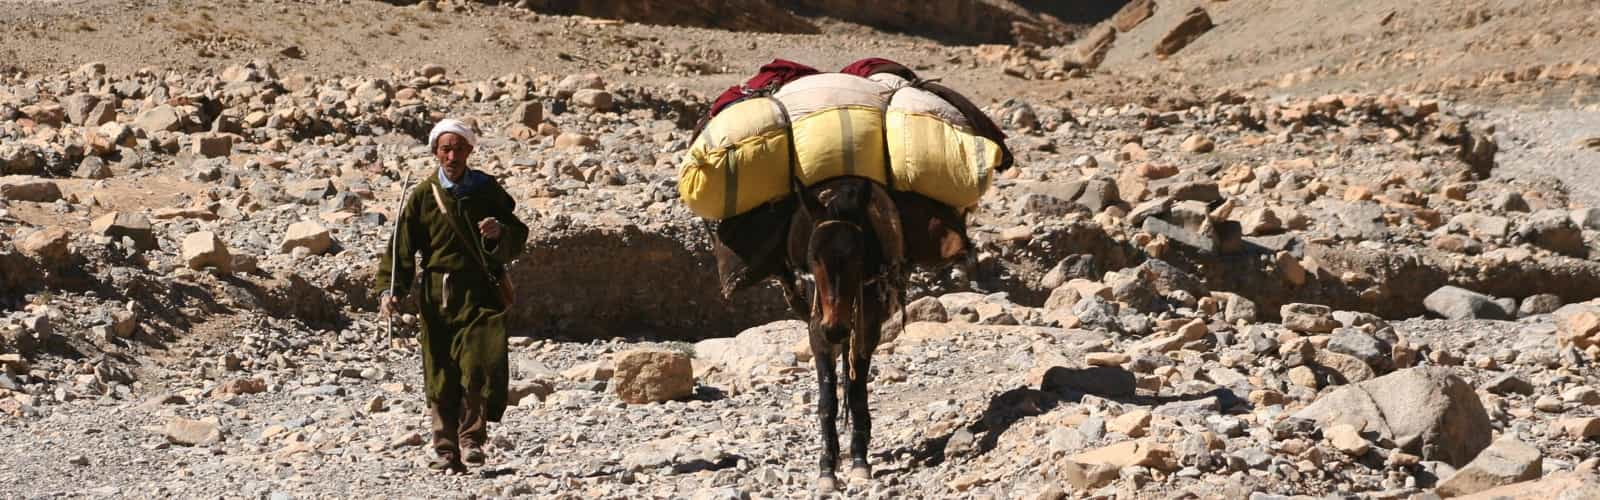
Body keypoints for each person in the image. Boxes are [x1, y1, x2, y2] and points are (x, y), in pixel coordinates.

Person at [376, 119, 529, 474]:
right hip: (437, 295)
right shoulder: (422, 196)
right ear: (435, 152)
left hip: (479, 291)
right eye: (446, 148)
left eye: (459, 148)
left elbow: (517, 234)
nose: (452, 155)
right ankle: (445, 450)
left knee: (479, 363)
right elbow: (401, 249)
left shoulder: (485, 190)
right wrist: (391, 290)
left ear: (469, 152)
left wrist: (497, 233)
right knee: (441, 370)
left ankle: (472, 440)